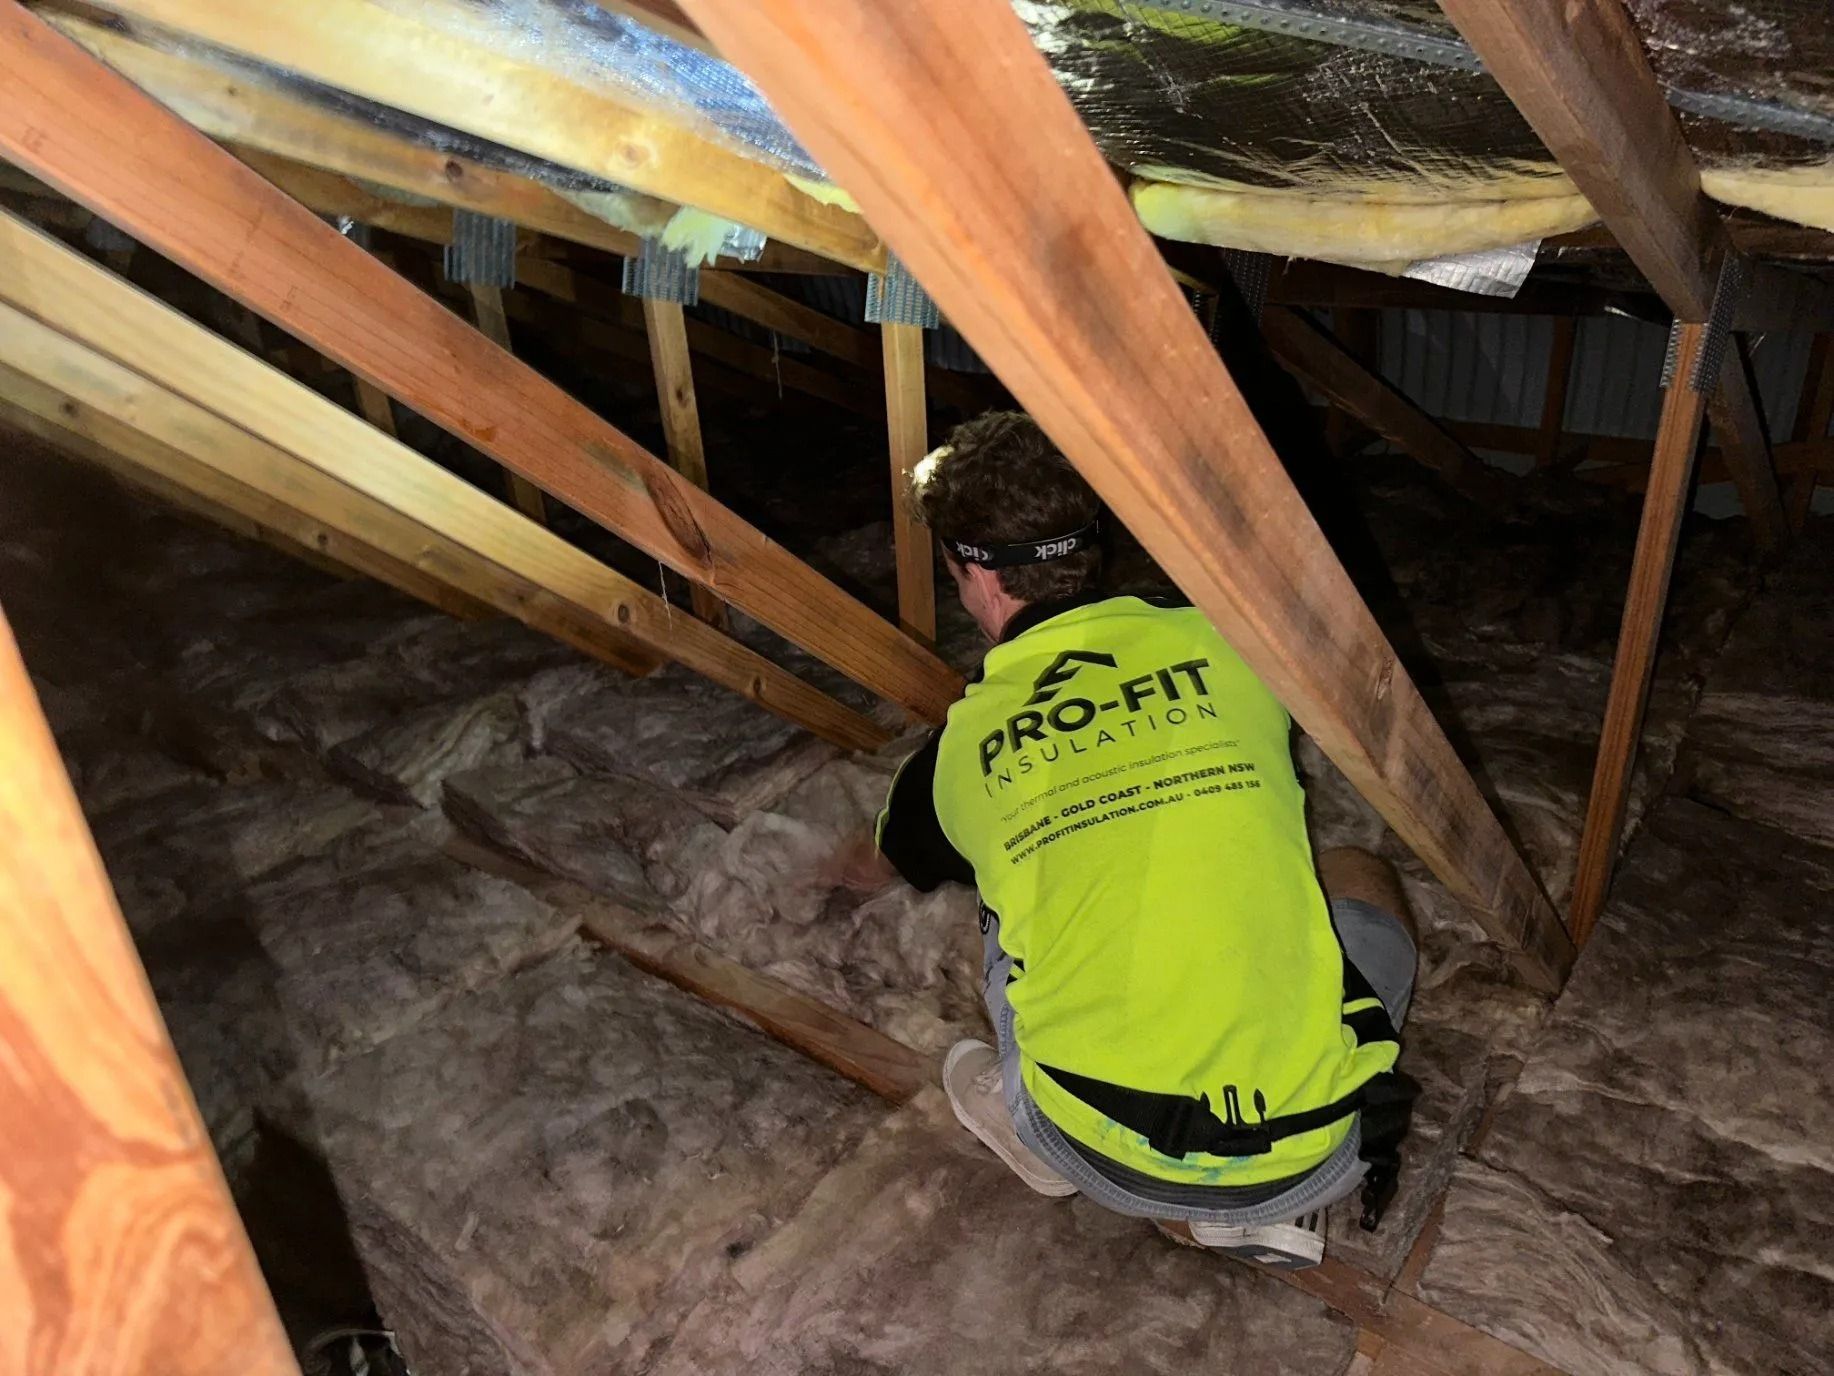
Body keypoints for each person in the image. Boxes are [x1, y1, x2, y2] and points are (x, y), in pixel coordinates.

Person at [863, 411, 1417, 1269]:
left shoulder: (958, 753)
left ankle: (1032, 1134)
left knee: (1008, 884)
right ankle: (1264, 1208)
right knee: (1353, 870)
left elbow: (902, 853)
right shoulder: (1233, 639)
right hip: (1320, 1148)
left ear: (970, 570)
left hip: (1102, 1152)